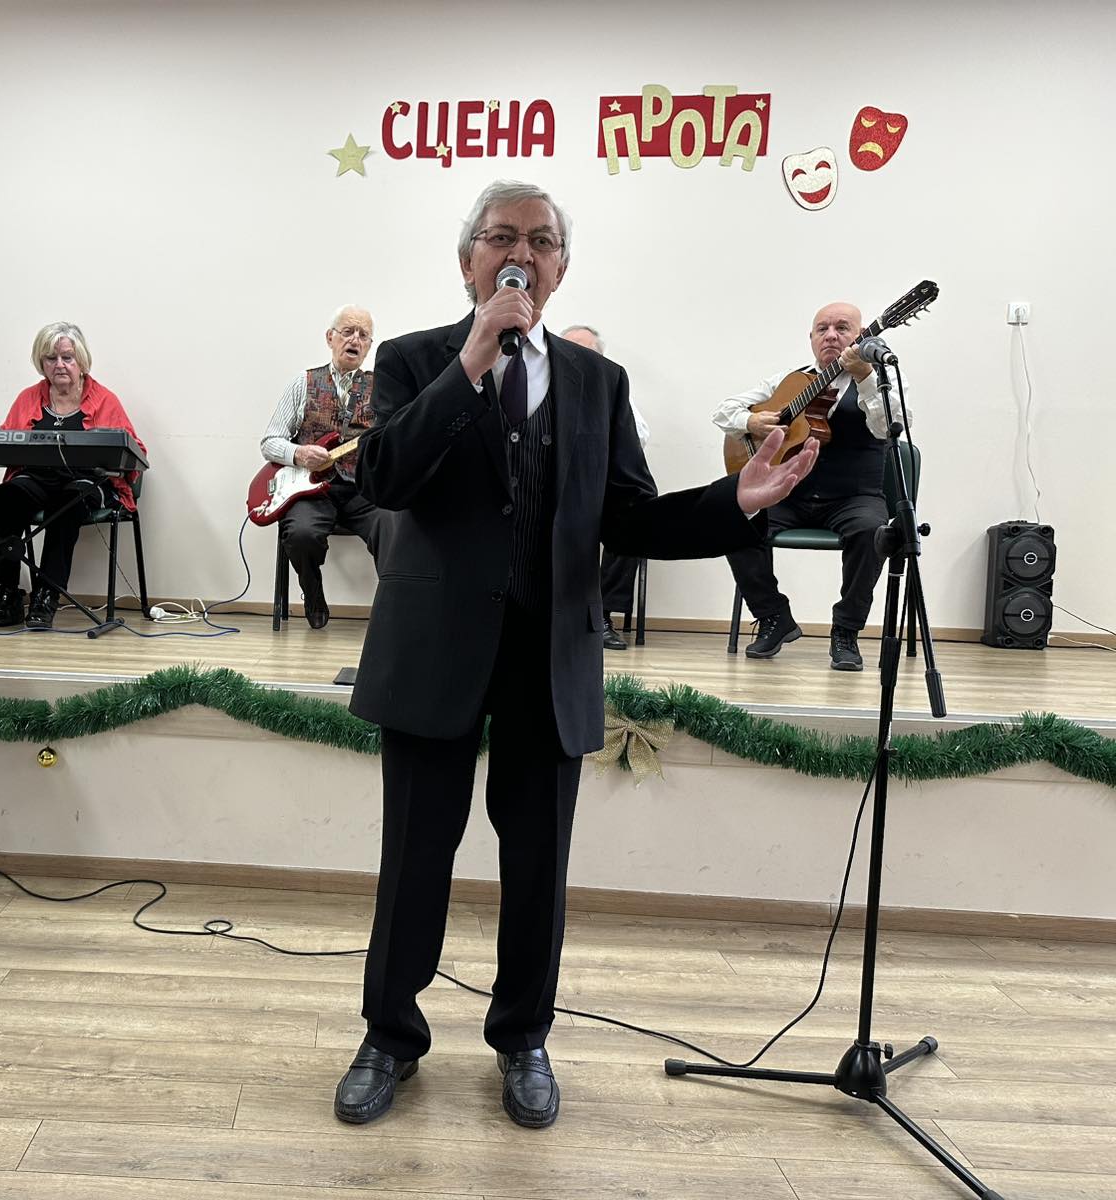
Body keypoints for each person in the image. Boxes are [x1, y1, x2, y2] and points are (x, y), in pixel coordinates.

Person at [335, 180, 816, 1129]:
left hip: (548, 653)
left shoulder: (600, 382)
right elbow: (384, 477)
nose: (522, 253)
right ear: (469, 260)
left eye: (542, 241)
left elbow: (629, 515)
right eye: (501, 237)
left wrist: (734, 504)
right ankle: (389, 1037)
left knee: (538, 867)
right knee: (414, 856)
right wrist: (472, 359)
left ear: (561, 267)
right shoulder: (413, 359)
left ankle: (523, 1039)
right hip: (434, 649)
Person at [712, 302, 909, 670]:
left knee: (871, 532)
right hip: (790, 493)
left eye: (842, 328)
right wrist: (751, 423)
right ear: (811, 338)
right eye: (823, 329)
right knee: (733, 520)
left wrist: (865, 377)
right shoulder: (788, 381)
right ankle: (773, 617)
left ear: (861, 336)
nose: (831, 335)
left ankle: (846, 631)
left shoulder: (880, 378)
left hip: (854, 497)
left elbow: (891, 428)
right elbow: (723, 411)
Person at [0, 322, 146, 628]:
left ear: (81, 361)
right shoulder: (28, 398)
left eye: (67, 358)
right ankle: (7, 596)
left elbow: (135, 452)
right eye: (51, 358)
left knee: (67, 503)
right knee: (2, 499)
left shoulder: (104, 399)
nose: (59, 365)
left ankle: (46, 595)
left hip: (88, 481)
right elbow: (5, 441)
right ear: (41, 362)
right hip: (38, 478)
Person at [259, 306, 388, 628]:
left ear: (369, 346)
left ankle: (392, 609)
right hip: (312, 490)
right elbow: (269, 442)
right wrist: (300, 453)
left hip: (363, 489)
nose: (355, 340)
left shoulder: (383, 389)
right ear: (330, 338)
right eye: (348, 332)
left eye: (363, 335)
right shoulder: (302, 383)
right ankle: (312, 592)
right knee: (301, 534)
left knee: (396, 529)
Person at [559, 324, 649, 650]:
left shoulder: (610, 386)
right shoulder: (541, 386)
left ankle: (603, 617)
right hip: (551, 492)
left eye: (587, 352)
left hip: (595, 489)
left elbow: (639, 435)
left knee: (632, 524)